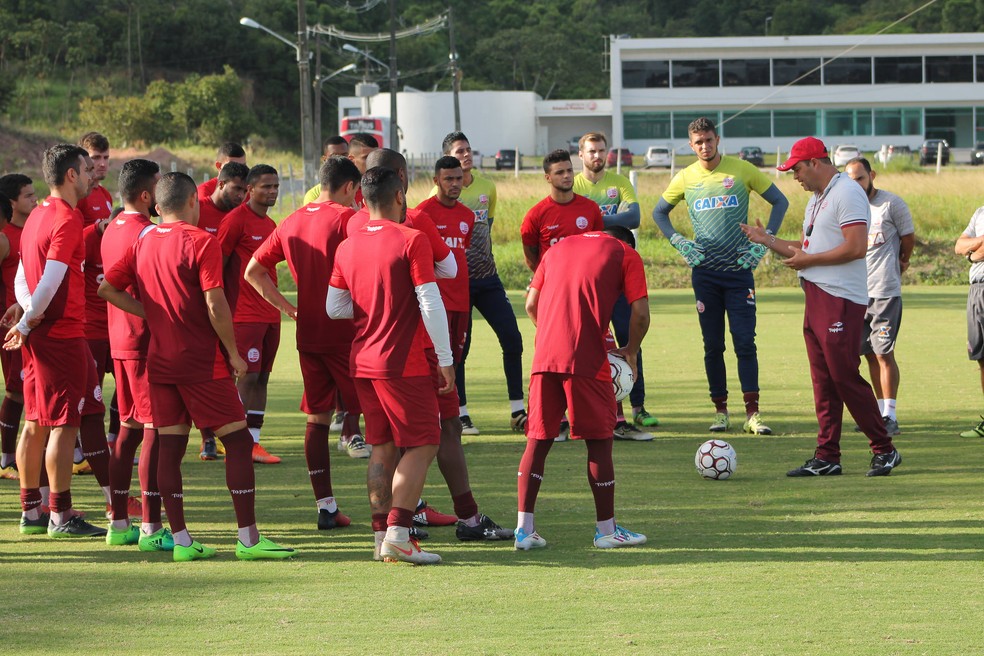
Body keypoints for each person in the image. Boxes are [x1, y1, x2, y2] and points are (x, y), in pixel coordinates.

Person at [99, 171, 295, 561]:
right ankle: (249, 539)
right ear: (193, 202)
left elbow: (106, 288)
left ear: (157, 206)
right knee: (239, 442)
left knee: (169, 448)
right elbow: (214, 304)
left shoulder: (143, 240)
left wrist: (153, 317)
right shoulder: (200, 240)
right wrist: (234, 353)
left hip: (160, 361)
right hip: (201, 362)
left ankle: (183, 542)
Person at [348, 149, 502, 536]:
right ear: (401, 181)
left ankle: (386, 530)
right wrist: (446, 355)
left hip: (367, 347)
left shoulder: (354, 227)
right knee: (437, 432)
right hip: (423, 344)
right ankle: (440, 521)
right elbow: (446, 273)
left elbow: (342, 298)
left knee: (384, 442)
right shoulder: (416, 222)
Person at [742, 136, 901, 477]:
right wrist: (767, 240)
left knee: (843, 375)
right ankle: (827, 455)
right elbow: (807, 248)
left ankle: (884, 449)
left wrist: (809, 259)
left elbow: (856, 247)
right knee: (823, 380)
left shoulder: (846, 192)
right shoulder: (818, 198)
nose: (794, 176)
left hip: (841, 298)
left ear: (815, 162)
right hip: (816, 296)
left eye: (797, 169)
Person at [327, 166, 450, 565]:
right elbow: (430, 301)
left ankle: (380, 536)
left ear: (362, 200)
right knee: (425, 441)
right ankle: (398, 534)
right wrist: (445, 359)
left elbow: (334, 307)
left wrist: (373, 309)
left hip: (362, 360)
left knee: (382, 447)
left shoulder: (348, 245)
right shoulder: (411, 239)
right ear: (400, 197)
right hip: (403, 361)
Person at [244, 156, 362, 531]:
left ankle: (326, 507)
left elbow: (253, 271)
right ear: (348, 188)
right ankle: (399, 513)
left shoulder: (291, 221)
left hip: (309, 333)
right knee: (381, 420)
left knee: (317, 418)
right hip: (350, 334)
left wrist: (288, 308)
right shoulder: (348, 219)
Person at [515, 226, 650, 550]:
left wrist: (554, 332)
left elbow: (531, 304)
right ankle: (606, 531)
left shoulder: (557, 249)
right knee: (600, 440)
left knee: (538, 440)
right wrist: (630, 350)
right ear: (625, 241)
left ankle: (524, 530)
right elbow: (641, 314)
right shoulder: (625, 253)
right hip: (586, 357)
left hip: (544, 356)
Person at [653, 116, 789, 435]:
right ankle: (721, 412)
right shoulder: (685, 177)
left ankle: (752, 414)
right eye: (698, 142)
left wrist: (765, 241)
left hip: (740, 271)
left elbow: (780, 201)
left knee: (744, 342)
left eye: (709, 140)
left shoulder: (741, 169)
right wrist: (679, 241)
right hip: (705, 275)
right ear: (691, 145)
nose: (704, 146)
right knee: (713, 345)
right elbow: (659, 212)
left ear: (717, 140)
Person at [6, 144, 107, 538]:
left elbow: (20, 277)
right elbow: (50, 282)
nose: (91, 175)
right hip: (60, 335)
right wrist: (30, 321)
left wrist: (26, 314)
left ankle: (31, 511)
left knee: (34, 421)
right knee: (64, 424)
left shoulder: (36, 215)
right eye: (86, 169)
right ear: (70, 175)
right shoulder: (65, 217)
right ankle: (60, 516)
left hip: (45, 335)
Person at [100, 158, 169, 550]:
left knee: (127, 429)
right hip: (143, 343)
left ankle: (119, 522)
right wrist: (154, 315)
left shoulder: (112, 229)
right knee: (154, 430)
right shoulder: (145, 234)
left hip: (119, 341)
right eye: (158, 187)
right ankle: (151, 528)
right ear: (146, 196)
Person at [438, 131, 526, 436]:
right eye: (459, 151)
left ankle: (518, 410)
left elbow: (482, 233)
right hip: (457, 285)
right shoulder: (433, 202)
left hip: (488, 278)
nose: (466, 155)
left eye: (468, 149)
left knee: (512, 338)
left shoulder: (488, 187)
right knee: (460, 350)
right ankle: (461, 413)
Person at [574, 131, 657, 439]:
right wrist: (611, 218)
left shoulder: (619, 183)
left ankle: (638, 406)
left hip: (619, 274)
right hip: (588, 279)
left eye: (601, 151)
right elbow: (572, 223)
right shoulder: (575, 185)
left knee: (629, 339)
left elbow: (633, 216)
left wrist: (591, 219)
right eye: (591, 151)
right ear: (580, 155)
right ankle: (588, 408)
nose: (597, 156)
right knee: (588, 342)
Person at [844, 157, 915, 436]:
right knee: (868, 354)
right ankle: (876, 414)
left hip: (884, 291)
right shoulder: (848, 206)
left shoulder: (891, 204)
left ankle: (890, 415)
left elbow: (908, 237)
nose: (856, 184)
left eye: (860, 178)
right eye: (851, 180)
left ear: (871, 175)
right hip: (856, 292)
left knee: (884, 352)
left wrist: (903, 260)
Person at [217, 164, 282, 464]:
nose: (271, 192)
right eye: (265, 186)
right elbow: (217, 264)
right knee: (248, 375)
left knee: (263, 378)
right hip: (244, 314)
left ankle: (254, 442)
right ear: (250, 189)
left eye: (275, 186)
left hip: (270, 314)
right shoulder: (235, 221)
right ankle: (238, 442)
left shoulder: (270, 225)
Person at [0, 173, 36, 479]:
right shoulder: (4, 236)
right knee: (16, 393)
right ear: (12, 202)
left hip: (32, 322)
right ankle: (6, 459)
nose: (34, 200)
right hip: (11, 325)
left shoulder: (33, 230)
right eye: (28, 196)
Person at [521, 149, 605, 272]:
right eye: (560, 172)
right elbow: (531, 259)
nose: (566, 175)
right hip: (552, 283)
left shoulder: (591, 208)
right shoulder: (535, 215)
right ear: (548, 178)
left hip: (583, 280)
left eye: (569, 170)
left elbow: (598, 248)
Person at [953, 197, 984, 437]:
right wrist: (974, 250)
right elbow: (959, 246)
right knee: (981, 356)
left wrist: (972, 252)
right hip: (977, 289)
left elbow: (971, 250)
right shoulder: (980, 212)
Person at [197, 162, 249, 237]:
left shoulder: (243, 218)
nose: (241, 195)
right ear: (221, 184)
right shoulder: (196, 211)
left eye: (245, 191)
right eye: (237, 188)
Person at [78, 132, 113, 227]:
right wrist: (97, 230)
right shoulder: (79, 195)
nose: (102, 164)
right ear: (82, 159)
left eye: (106, 158)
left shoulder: (106, 195)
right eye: (96, 157)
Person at [301, 136, 350, 204]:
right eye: (334, 157)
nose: (340, 161)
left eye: (344, 156)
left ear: (350, 158)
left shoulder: (360, 191)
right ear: (325, 160)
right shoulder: (314, 195)